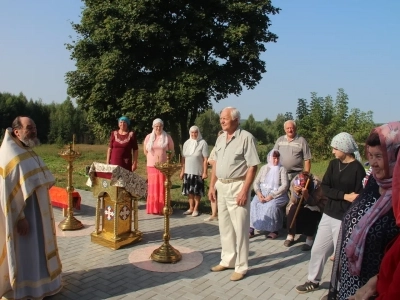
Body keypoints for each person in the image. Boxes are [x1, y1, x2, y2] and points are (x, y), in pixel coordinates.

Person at [328, 122, 400, 300]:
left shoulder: (397, 194)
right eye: (371, 155)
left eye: (379, 156)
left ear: (394, 157)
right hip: (352, 279)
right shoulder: (374, 182)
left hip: (374, 286)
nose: (373, 163)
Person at [0, 116, 62, 300]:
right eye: (29, 128)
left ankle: (45, 284)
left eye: (34, 127)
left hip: (39, 212)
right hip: (25, 217)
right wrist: (20, 218)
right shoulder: (9, 155)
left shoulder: (26, 149)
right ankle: (28, 289)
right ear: (16, 131)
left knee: (40, 248)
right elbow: (7, 193)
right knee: (28, 251)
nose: (33, 130)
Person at [296, 132, 366, 294]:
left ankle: (340, 288)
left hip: (345, 218)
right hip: (328, 214)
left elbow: (359, 196)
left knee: (342, 257)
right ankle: (313, 280)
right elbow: (326, 188)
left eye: (335, 148)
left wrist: (349, 199)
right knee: (318, 249)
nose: (333, 151)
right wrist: (344, 196)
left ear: (344, 148)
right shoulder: (334, 164)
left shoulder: (357, 169)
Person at [208, 107, 260, 281]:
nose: (222, 121)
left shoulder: (246, 138)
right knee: (225, 227)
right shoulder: (221, 138)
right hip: (221, 186)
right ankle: (228, 260)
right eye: (221, 118)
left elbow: (253, 166)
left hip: (238, 186)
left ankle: (241, 266)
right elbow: (215, 163)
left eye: (225, 118)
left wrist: (245, 190)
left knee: (240, 229)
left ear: (236, 120)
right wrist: (211, 186)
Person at [249, 149, 289, 239]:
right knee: (253, 204)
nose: (276, 160)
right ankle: (251, 229)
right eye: (274, 158)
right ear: (270, 158)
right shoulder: (264, 168)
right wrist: (258, 193)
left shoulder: (282, 169)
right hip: (262, 192)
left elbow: (285, 185)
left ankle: (274, 230)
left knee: (272, 206)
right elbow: (256, 182)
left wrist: (272, 196)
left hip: (278, 193)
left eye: (277, 158)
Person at [284, 172, 327, 251]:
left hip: (316, 204)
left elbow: (314, 202)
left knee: (310, 212)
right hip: (301, 203)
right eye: (300, 184)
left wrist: (306, 195)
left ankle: (309, 239)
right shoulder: (295, 181)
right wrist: (296, 193)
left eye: (303, 184)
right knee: (293, 209)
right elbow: (293, 200)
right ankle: (290, 235)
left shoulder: (317, 184)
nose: (301, 185)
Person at [144, 118, 174, 214]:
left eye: (160, 126)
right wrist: (152, 159)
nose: (158, 128)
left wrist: (165, 159)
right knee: (152, 187)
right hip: (151, 166)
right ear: (153, 127)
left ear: (163, 126)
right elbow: (145, 151)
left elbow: (172, 151)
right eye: (156, 126)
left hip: (163, 166)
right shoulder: (148, 137)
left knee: (162, 186)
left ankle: (163, 208)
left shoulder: (167, 137)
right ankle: (153, 208)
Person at [180, 126, 208, 217]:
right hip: (188, 172)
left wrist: (205, 172)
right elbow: (183, 159)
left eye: (195, 132)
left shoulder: (203, 143)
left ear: (198, 132)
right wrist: (182, 171)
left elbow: (205, 159)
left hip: (198, 172)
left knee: (196, 192)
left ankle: (196, 208)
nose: (194, 134)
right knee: (189, 192)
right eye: (192, 132)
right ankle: (191, 208)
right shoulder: (186, 143)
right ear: (190, 133)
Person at [204, 130, 224, 222]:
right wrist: (217, 163)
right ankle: (214, 214)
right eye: (219, 137)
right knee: (213, 193)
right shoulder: (215, 148)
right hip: (215, 174)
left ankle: (222, 215)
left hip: (224, 175)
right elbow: (209, 160)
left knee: (222, 195)